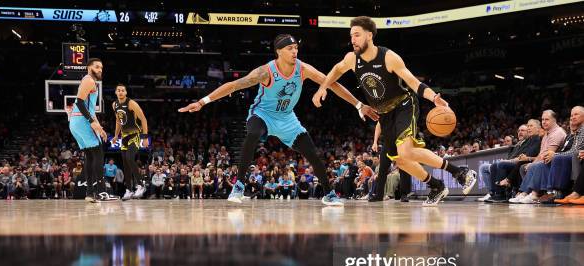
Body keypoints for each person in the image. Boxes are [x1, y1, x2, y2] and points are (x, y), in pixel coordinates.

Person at [179, 34, 379, 206]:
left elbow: (332, 84)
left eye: (296, 48)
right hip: (262, 115)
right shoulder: (266, 71)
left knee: (313, 154)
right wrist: (203, 101)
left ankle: (329, 194)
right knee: (254, 133)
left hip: (287, 118)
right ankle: (238, 186)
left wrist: (359, 104)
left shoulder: (303, 69)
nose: (295, 52)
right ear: (279, 51)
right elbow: (233, 85)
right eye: (290, 48)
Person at [312, 16, 477, 206]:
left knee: (405, 151)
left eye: (357, 35)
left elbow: (414, 83)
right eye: (351, 36)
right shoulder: (351, 58)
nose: (353, 39)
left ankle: (460, 172)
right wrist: (323, 87)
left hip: (404, 104)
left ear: (370, 35)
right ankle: (437, 186)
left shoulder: (388, 57)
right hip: (384, 114)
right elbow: (336, 70)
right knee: (401, 160)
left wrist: (433, 98)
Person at [68, 58, 118, 202]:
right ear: (89, 67)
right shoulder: (89, 80)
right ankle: (102, 193)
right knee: (98, 153)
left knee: (90, 157)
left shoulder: (89, 81)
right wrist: (91, 122)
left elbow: (91, 109)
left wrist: (99, 127)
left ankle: (89, 194)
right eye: (97, 67)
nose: (100, 70)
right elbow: (79, 102)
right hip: (82, 120)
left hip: (76, 122)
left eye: (101, 67)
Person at [111, 84, 149, 200]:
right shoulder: (114, 104)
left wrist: (145, 137)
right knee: (125, 164)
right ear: (116, 92)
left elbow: (143, 119)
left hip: (135, 135)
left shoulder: (131, 103)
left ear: (126, 92)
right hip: (124, 137)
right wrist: (116, 135)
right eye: (118, 90)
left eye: (123, 90)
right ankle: (128, 190)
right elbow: (118, 121)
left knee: (129, 158)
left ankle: (141, 185)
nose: (121, 92)